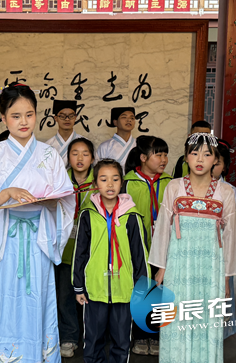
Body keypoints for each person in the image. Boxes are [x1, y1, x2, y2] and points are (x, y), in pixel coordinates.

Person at [0, 83, 75, 362]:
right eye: (16, 116)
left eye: (29, 114)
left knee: (36, 302)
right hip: (5, 240)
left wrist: (50, 200)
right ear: (4, 118)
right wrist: (6, 193)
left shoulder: (50, 155)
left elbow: (66, 198)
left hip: (39, 239)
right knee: (4, 302)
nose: (24, 121)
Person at [149, 133, 236, 363]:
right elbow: (163, 229)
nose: (200, 159)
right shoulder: (174, 187)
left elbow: (231, 236)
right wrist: (161, 267)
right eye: (194, 153)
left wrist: (226, 278)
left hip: (211, 267)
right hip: (178, 265)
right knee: (176, 318)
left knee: (207, 319)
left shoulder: (226, 192)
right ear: (185, 157)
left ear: (216, 160)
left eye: (207, 154)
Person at [73, 159, 149, 363]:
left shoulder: (131, 215)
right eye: (103, 179)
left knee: (121, 341)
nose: (110, 184)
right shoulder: (88, 214)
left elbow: (140, 255)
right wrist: (78, 286)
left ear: (121, 182)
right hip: (94, 289)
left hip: (124, 290)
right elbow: (80, 253)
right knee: (93, 340)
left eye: (115, 179)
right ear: (95, 183)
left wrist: (141, 289)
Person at [121, 135, 172, 356]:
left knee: (161, 290)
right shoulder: (127, 183)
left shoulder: (171, 183)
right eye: (158, 154)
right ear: (143, 158)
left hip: (164, 247)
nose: (163, 159)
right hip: (136, 248)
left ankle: (157, 336)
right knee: (140, 290)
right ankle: (140, 336)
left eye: (165, 154)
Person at [58, 138, 96, 358]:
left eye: (85, 153)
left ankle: (92, 336)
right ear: (68, 157)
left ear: (92, 158)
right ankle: (69, 337)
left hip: (92, 251)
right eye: (75, 153)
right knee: (65, 296)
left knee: (91, 295)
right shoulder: (60, 181)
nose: (80, 158)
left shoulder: (99, 182)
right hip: (65, 249)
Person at [212, 139, 236, 340]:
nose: (211, 166)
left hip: (222, 259)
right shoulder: (184, 190)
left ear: (225, 166)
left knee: (220, 304)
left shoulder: (231, 193)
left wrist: (235, 260)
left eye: (217, 163)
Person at [96, 107, 136, 171]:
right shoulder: (105, 146)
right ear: (115, 122)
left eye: (132, 118)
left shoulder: (138, 144)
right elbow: (98, 170)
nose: (129, 120)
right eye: (124, 117)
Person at [45, 100, 83, 166]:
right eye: (62, 116)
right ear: (55, 118)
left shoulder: (85, 143)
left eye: (71, 116)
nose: (67, 119)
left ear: (75, 117)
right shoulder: (47, 145)